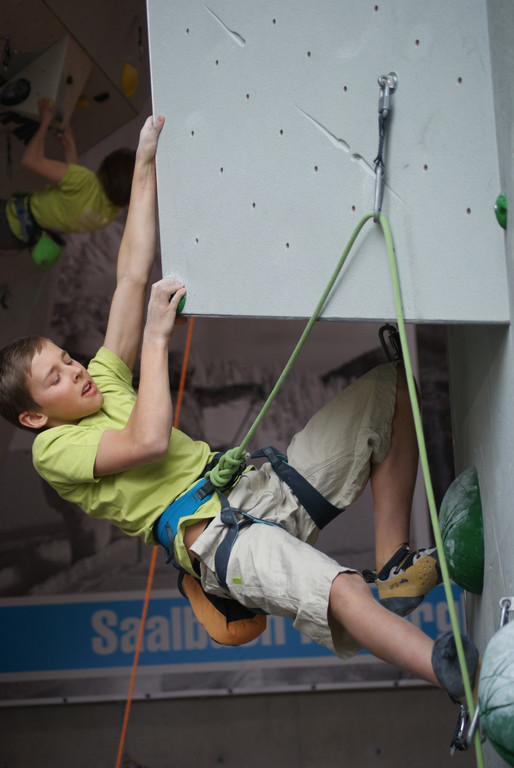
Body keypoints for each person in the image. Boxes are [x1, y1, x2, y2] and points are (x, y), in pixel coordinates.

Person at [0, 115, 479, 700]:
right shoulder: (53, 450)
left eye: (67, 358)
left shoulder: (101, 377)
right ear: (34, 417)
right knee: (339, 588)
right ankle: (453, 677)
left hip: (260, 487)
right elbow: (148, 440)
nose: (75, 369)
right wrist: (155, 338)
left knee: (391, 389)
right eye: (55, 376)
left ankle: (396, 564)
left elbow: (130, 276)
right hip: (218, 541)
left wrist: (144, 162)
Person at [0, 97, 135, 253]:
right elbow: (76, 196)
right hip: (19, 237)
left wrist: (44, 122)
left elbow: (30, 160)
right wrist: (70, 149)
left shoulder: (85, 181)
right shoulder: (107, 216)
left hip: (8, 218)